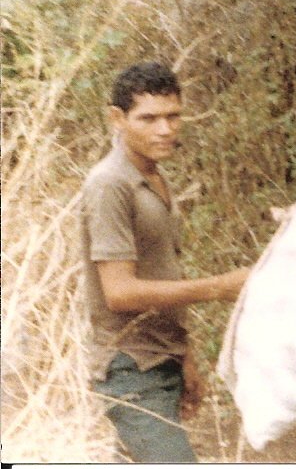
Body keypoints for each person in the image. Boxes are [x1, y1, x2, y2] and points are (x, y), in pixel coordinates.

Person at [79, 61, 250, 462]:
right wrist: (218, 287)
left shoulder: (154, 176)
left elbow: (161, 272)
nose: (165, 129)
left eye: (174, 116)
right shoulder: (109, 185)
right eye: (149, 118)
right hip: (131, 369)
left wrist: (185, 354)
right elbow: (119, 293)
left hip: (162, 360)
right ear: (117, 119)